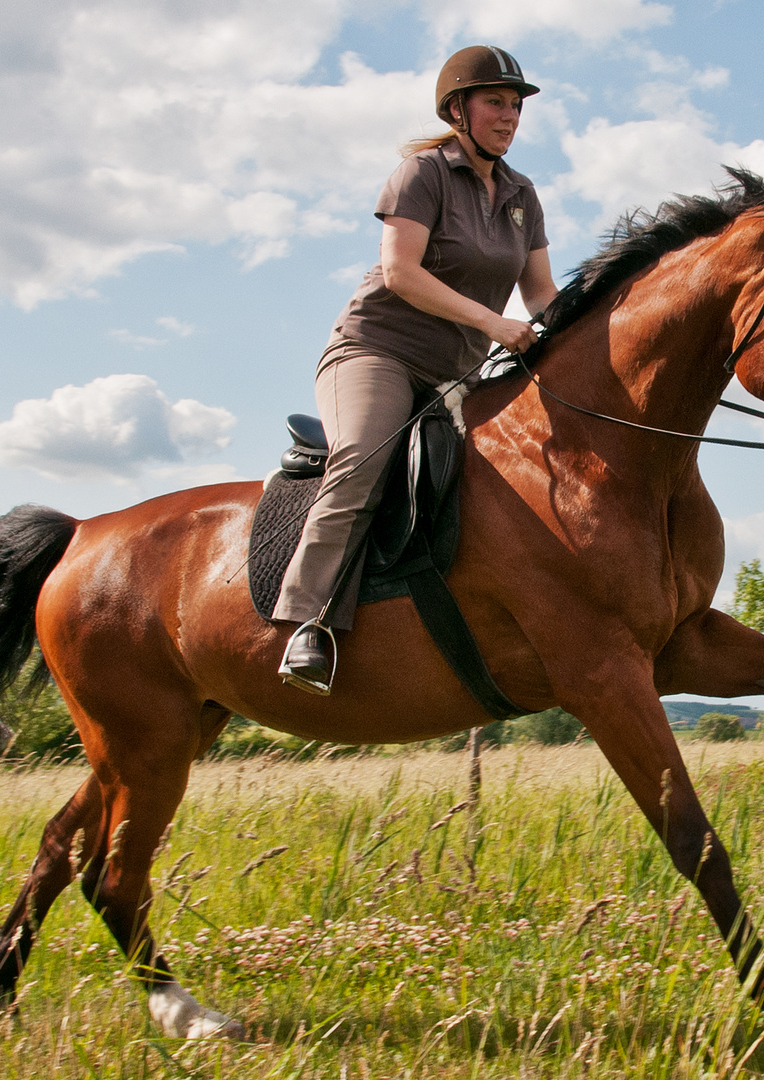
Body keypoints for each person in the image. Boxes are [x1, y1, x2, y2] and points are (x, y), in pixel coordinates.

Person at [274, 45, 558, 695]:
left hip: (456, 374)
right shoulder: (422, 174)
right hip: (377, 351)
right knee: (365, 455)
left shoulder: (522, 195)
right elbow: (403, 273)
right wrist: (494, 325)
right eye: (496, 102)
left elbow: (540, 294)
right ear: (458, 108)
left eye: (516, 105)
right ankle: (309, 621)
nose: (509, 116)